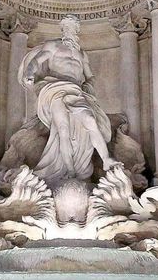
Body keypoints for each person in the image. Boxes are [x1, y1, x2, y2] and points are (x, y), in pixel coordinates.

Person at [19, 15, 117, 185]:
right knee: (62, 129)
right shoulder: (53, 46)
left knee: (90, 121)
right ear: (63, 29)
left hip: (76, 92)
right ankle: (70, 172)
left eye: (73, 27)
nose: (70, 30)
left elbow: (89, 76)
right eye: (67, 27)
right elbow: (36, 61)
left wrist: (89, 87)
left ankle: (106, 159)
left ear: (77, 30)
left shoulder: (82, 53)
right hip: (55, 89)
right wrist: (29, 72)